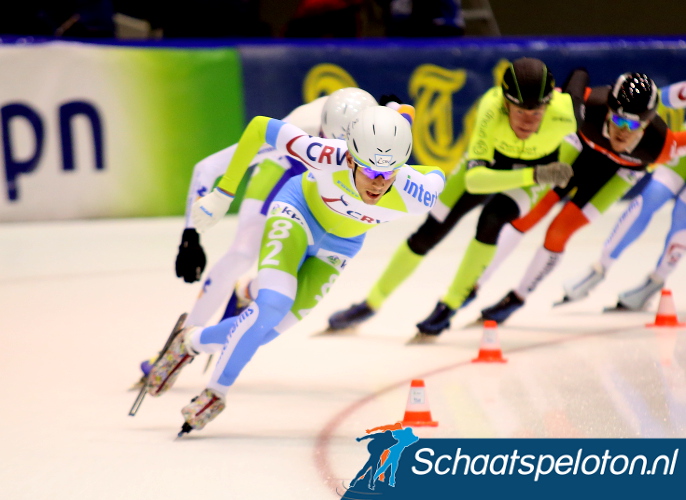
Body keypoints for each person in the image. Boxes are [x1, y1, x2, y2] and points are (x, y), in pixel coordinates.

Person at [143, 105, 446, 432]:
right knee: (272, 303)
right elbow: (260, 127)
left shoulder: (417, 193)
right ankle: (216, 393)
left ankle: (189, 342)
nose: (378, 184)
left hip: (341, 245)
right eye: (370, 173)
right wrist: (224, 192)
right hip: (298, 210)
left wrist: (400, 122)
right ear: (350, 159)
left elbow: (437, 175)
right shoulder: (327, 154)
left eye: (388, 175)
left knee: (265, 332)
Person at [136, 88, 403, 380]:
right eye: (331, 147)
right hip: (285, 167)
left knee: (298, 266)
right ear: (323, 133)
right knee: (242, 253)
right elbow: (208, 167)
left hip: (329, 186)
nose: (336, 158)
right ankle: (179, 344)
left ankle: (247, 292)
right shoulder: (302, 128)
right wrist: (191, 234)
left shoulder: (378, 132)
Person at [326, 57, 583, 337]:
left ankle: (450, 305)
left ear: (548, 106)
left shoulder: (567, 113)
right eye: (520, 112)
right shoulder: (490, 107)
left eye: (536, 114)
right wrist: (536, 175)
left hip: (534, 173)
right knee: (429, 232)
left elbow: (582, 80)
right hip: (507, 169)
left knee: (492, 221)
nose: (527, 122)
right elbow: (474, 181)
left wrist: (562, 164)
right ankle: (371, 302)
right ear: (505, 104)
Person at [478, 73, 686, 324]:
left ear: (646, 125)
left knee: (559, 230)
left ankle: (518, 296)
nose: (621, 131)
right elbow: (563, 85)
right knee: (530, 211)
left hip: (618, 173)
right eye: (618, 119)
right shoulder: (590, 104)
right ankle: (476, 282)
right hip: (580, 149)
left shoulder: (663, 145)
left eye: (632, 126)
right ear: (608, 110)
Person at [558, 80, 686, 311]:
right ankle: (598, 269)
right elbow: (655, 99)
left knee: (682, 216)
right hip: (682, 157)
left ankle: (655, 280)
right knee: (647, 201)